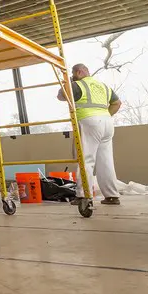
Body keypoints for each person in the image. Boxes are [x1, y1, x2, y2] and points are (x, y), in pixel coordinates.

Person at [57, 63, 123, 205]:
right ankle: (112, 195)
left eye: (74, 74)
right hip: (107, 123)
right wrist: (105, 116)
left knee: (85, 159)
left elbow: (61, 96)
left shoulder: (77, 85)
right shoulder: (103, 86)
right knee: (106, 161)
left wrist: (68, 82)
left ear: (79, 72)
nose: (73, 77)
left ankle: (83, 195)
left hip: (88, 122)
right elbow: (117, 103)